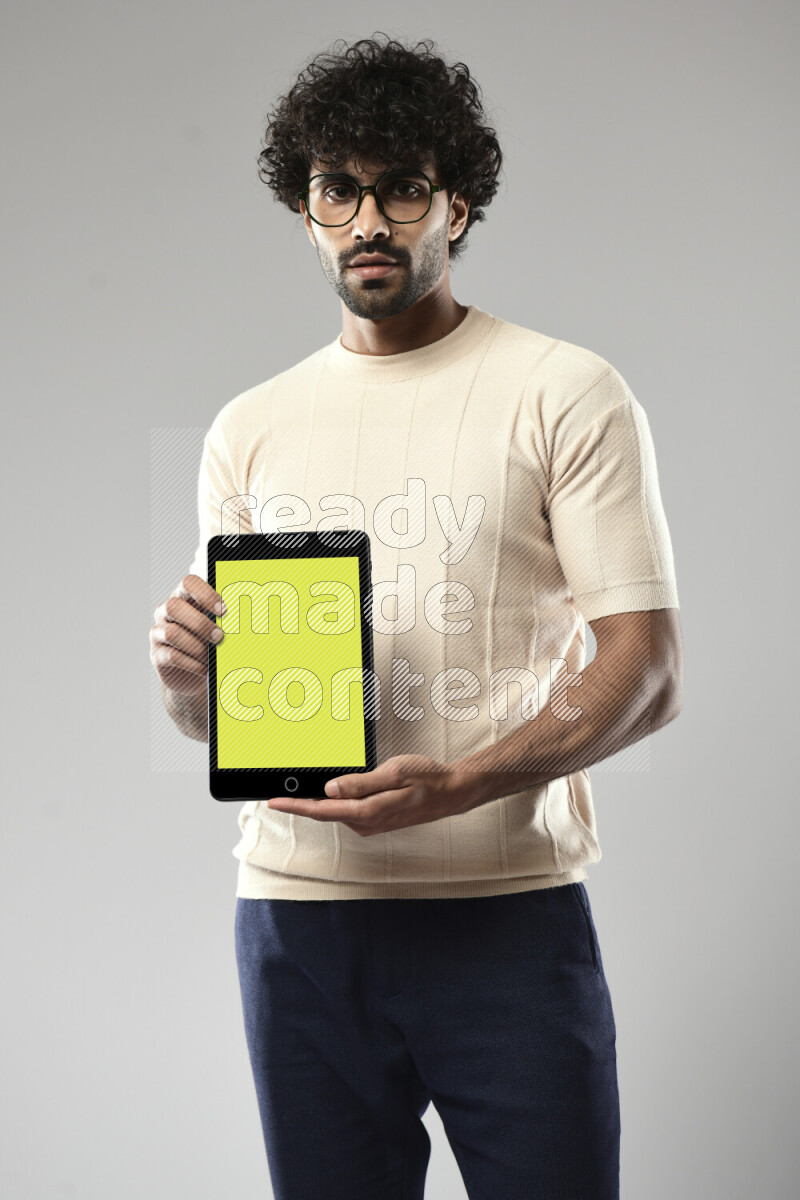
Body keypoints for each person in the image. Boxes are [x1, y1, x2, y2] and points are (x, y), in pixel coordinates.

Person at [149, 33, 683, 1200]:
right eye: (336, 191)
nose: (367, 222)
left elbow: (644, 670)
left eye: (400, 187)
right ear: (305, 214)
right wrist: (189, 680)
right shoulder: (249, 427)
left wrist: (462, 784)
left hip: (503, 916)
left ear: (456, 204)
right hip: (298, 923)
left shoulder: (563, 391)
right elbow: (219, 720)